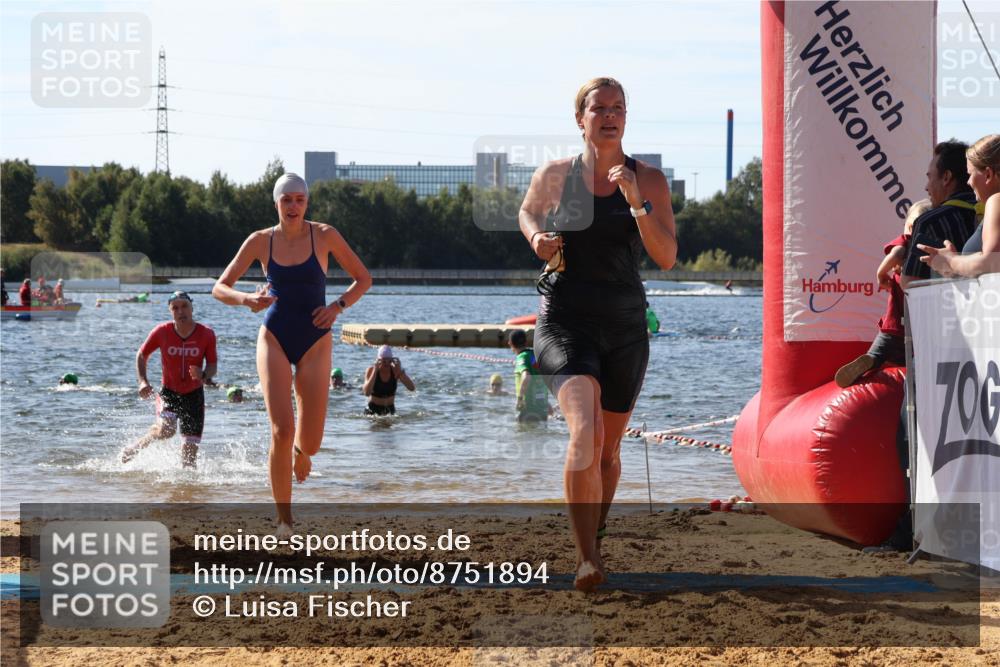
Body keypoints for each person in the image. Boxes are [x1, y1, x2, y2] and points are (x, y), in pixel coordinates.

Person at [518, 77, 677, 591]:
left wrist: (637, 204)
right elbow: (527, 212)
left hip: (626, 326)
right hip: (564, 320)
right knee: (583, 432)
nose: (609, 116)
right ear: (580, 119)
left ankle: (597, 535)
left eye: (618, 108)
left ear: (626, 118)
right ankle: (586, 558)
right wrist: (536, 236)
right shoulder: (556, 176)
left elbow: (667, 257)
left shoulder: (648, 179)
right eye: (599, 108)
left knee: (608, 452)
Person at [212, 173, 371, 533]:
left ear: (307, 203)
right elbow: (219, 287)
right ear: (276, 204)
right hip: (275, 336)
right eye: (287, 200)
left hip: (316, 340)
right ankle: (284, 520)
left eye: (299, 200)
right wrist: (247, 300)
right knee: (282, 430)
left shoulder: (325, 235)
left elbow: (363, 278)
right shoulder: (260, 241)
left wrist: (337, 307)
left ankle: (301, 453)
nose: (294, 206)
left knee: (309, 442)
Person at [834, 199, 932, 387]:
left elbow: (896, 253)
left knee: (877, 354)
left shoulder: (907, 243)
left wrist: (881, 273)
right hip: (917, 330)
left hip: (892, 328)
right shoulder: (927, 250)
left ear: (910, 227)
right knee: (914, 360)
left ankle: (870, 360)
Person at [121, 291, 217, 467]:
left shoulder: (206, 334)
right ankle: (134, 448)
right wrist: (143, 381)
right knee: (167, 430)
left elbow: (212, 366)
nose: (181, 311)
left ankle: (187, 492)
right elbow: (142, 354)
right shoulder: (162, 331)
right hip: (169, 393)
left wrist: (203, 375)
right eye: (175, 308)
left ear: (192, 308)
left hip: (194, 395)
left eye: (184, 306)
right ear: (171, 311)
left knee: (189, 458)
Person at [896, 140, 979, 288]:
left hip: (948, 309)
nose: (926, 187)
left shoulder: (930, 222)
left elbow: (911, 284)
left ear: (946, 177)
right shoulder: (991, 215)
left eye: (930, 177)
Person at [919, 134, 1000, 278]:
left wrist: (952, 262)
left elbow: (992, 262)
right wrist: (955, 269)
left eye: (970, 174)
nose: (968, 182)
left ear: (988, 174)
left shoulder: (997, 200)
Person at [507, 329, 549, 422]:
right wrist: (547, 403)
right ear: (526, 342)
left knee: (522, 434)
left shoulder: (521, 357)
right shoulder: (534, 355)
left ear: (510, 343)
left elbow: (526, 376)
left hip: (528, 407)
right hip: (541, 406)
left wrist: (520, 398)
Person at [362, 345, 415, 415]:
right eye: (384, 361)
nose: (387, 363)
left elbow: (411, 388)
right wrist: (375, 371)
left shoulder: (395, 370)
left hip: (390, 410)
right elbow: (366, 393)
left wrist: (400, 371)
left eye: (389, 361)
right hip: (373, 410)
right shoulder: (371, 370)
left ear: (392, 360)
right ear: (378, 360)